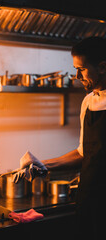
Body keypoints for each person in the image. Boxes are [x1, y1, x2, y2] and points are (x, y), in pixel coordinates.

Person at [14, 37, 106, 239]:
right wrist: (43, 164)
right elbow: (84, 153)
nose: (76, 75)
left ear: (102, 67)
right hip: (89, 199)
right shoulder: (88, 102)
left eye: (81, 69)